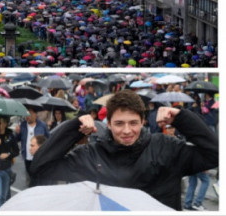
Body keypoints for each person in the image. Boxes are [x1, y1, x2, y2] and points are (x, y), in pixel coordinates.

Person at [30, 90, 218, 210]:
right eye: (119, 123)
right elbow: (41, 166)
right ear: (108, 123)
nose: (127, 131)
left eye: (133, 123)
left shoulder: (165, 148)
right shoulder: (90, 155)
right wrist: (73, 129)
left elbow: (215, 155)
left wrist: (183, 119)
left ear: (143, 121)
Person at [15, 106, 49, 183]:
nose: (27, 116)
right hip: (27, 157)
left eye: (30, 114)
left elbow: (48, 139)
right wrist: (16, 133)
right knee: (29, 179)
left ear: (35, 114)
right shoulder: (23, 125)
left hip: (39, 157)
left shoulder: (42, 125)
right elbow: (16, 139)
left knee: (39, 178)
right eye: (26, 114)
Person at [0, 116, 19, 207]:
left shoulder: (10, 135)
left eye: (0, 123)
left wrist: (8, 154)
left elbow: (16, 151)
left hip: (7, 169)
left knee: (4, 197)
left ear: (6, 124)